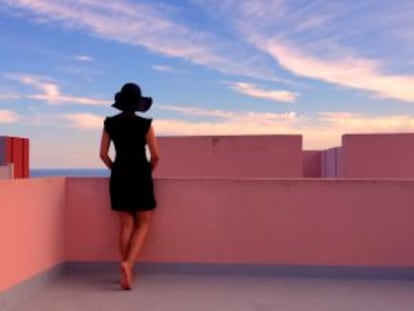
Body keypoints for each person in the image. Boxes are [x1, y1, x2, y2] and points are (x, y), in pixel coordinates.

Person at [99, 82, 159, 290]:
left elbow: (103, 154)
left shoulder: (109, 123)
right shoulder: (145, 125)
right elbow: (156, 156)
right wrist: (146, 171)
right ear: (138, 104)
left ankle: (127, 268)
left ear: (120, 102)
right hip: (140, 175)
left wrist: (115, 168)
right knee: (144, 222)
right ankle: (129, 264)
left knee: (126, 224)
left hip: (119, 176)